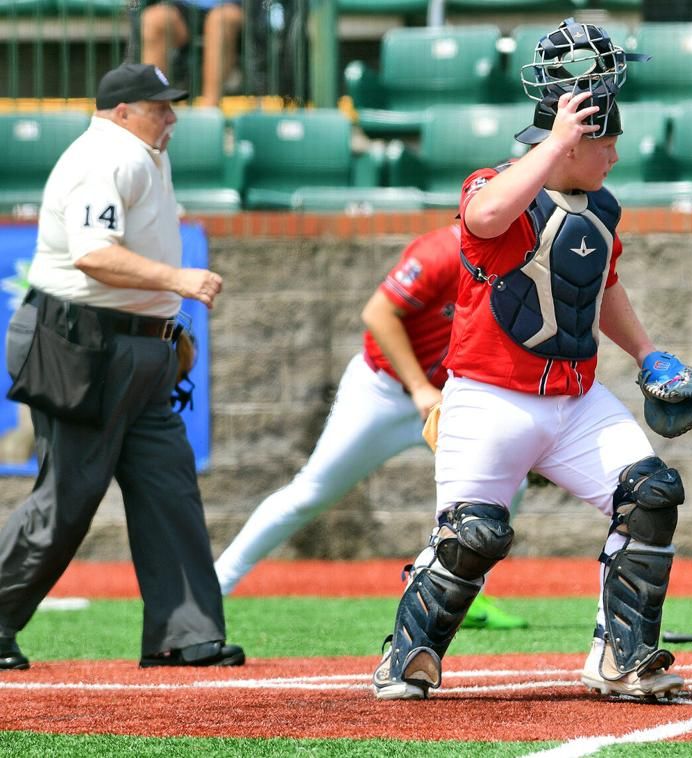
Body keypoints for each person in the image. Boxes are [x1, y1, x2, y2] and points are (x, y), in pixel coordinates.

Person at [371, 18, 692, 702]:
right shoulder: (497, 187)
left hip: (576, 400)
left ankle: (620, 655)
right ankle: (406, 651)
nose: (614, 155)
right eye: (605, 142)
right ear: (571, 141)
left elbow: (601, 286)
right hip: (490, 397)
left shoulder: (602, 207)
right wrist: (555, 145)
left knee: (651, 493)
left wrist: (646, 354)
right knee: (473, 536)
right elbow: (484, 220)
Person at [0, 63, 242, 671]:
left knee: (168, 487)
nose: (173, 116)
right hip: (81, 342)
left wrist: (167, 327)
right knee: (68, 498)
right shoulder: (106, 156)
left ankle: (184, 634)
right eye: (159, 106)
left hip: (136, 348)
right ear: (120, 109)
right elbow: (92, 255)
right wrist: (177, 281)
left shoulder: (142, 152)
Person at [213, 223, 526, 630]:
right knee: (311, 492)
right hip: (384, 391)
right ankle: (213, 587)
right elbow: (377, 313)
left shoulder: (520, 258)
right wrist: (418, 388)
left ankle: (458, 593)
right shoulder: (441, 251)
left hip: (451, 397)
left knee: (505, 486)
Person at [140, 0, 244, 108]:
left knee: (220, 19)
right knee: (154, 19)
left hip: (231, 6)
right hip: (183, 7)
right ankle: (152, 108)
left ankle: (209, 110)